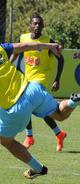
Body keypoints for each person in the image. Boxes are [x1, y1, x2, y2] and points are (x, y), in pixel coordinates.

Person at [0, 42, 80, 179]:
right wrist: (50, 46)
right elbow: (26, 45)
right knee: (60, 114)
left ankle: (38, 168)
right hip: (32, 89)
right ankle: (73, 101)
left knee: (6, 140)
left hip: (16, 106)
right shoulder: (1, 48)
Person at [10, 14, 67, 152]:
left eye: (40, 24)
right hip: (27, 79)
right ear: (30, 25)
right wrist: (9, 65)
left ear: (43, 26)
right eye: (35, 24)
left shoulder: (48, 41)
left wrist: (57, 79)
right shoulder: (23, 38)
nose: (37, 26)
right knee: (41, 109)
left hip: (41, 80)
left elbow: (61, 59)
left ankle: (29, 137)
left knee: (26, 104)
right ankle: (59, 134)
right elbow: (16, 52)